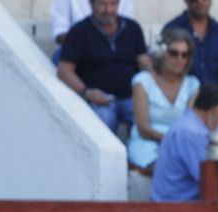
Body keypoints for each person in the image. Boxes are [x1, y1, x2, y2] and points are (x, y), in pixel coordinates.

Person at [55, 0, 150, 133]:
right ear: (91, 4)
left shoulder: (132, 28)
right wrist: (86, 92)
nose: (109, 10)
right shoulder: (79, 31)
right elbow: (64, 70)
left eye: (113, 4)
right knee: (103, 126)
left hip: (131, 97)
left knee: (152, 118)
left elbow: (143, 60)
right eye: (103, 4)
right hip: (99, 100)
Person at [127, 28, 201, 191]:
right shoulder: (142, 81)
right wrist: (171, 140)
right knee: (168, 167)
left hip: (179, 144)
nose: (179, 59)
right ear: (162, 53)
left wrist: (175, 143)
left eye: (184, 54)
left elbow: (189, 124)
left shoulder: (192, 84)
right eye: (173, 53)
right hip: (147, 143)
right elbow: (143, 128)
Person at [152, 83, 218, 202]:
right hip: (175, 208)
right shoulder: (191, 133)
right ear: (215, 110)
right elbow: (208, 177)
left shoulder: (188, 126)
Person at [164, 0, 218, 91]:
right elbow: (164, 72)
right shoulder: (170, 30)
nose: (200, 1)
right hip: (182, 98)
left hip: (216, 100)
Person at [51, 0, 137, 53]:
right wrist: (90, 43)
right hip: (78, 54)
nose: (108, 9)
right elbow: (60, 35)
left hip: (117, 51)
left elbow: (128, 30)